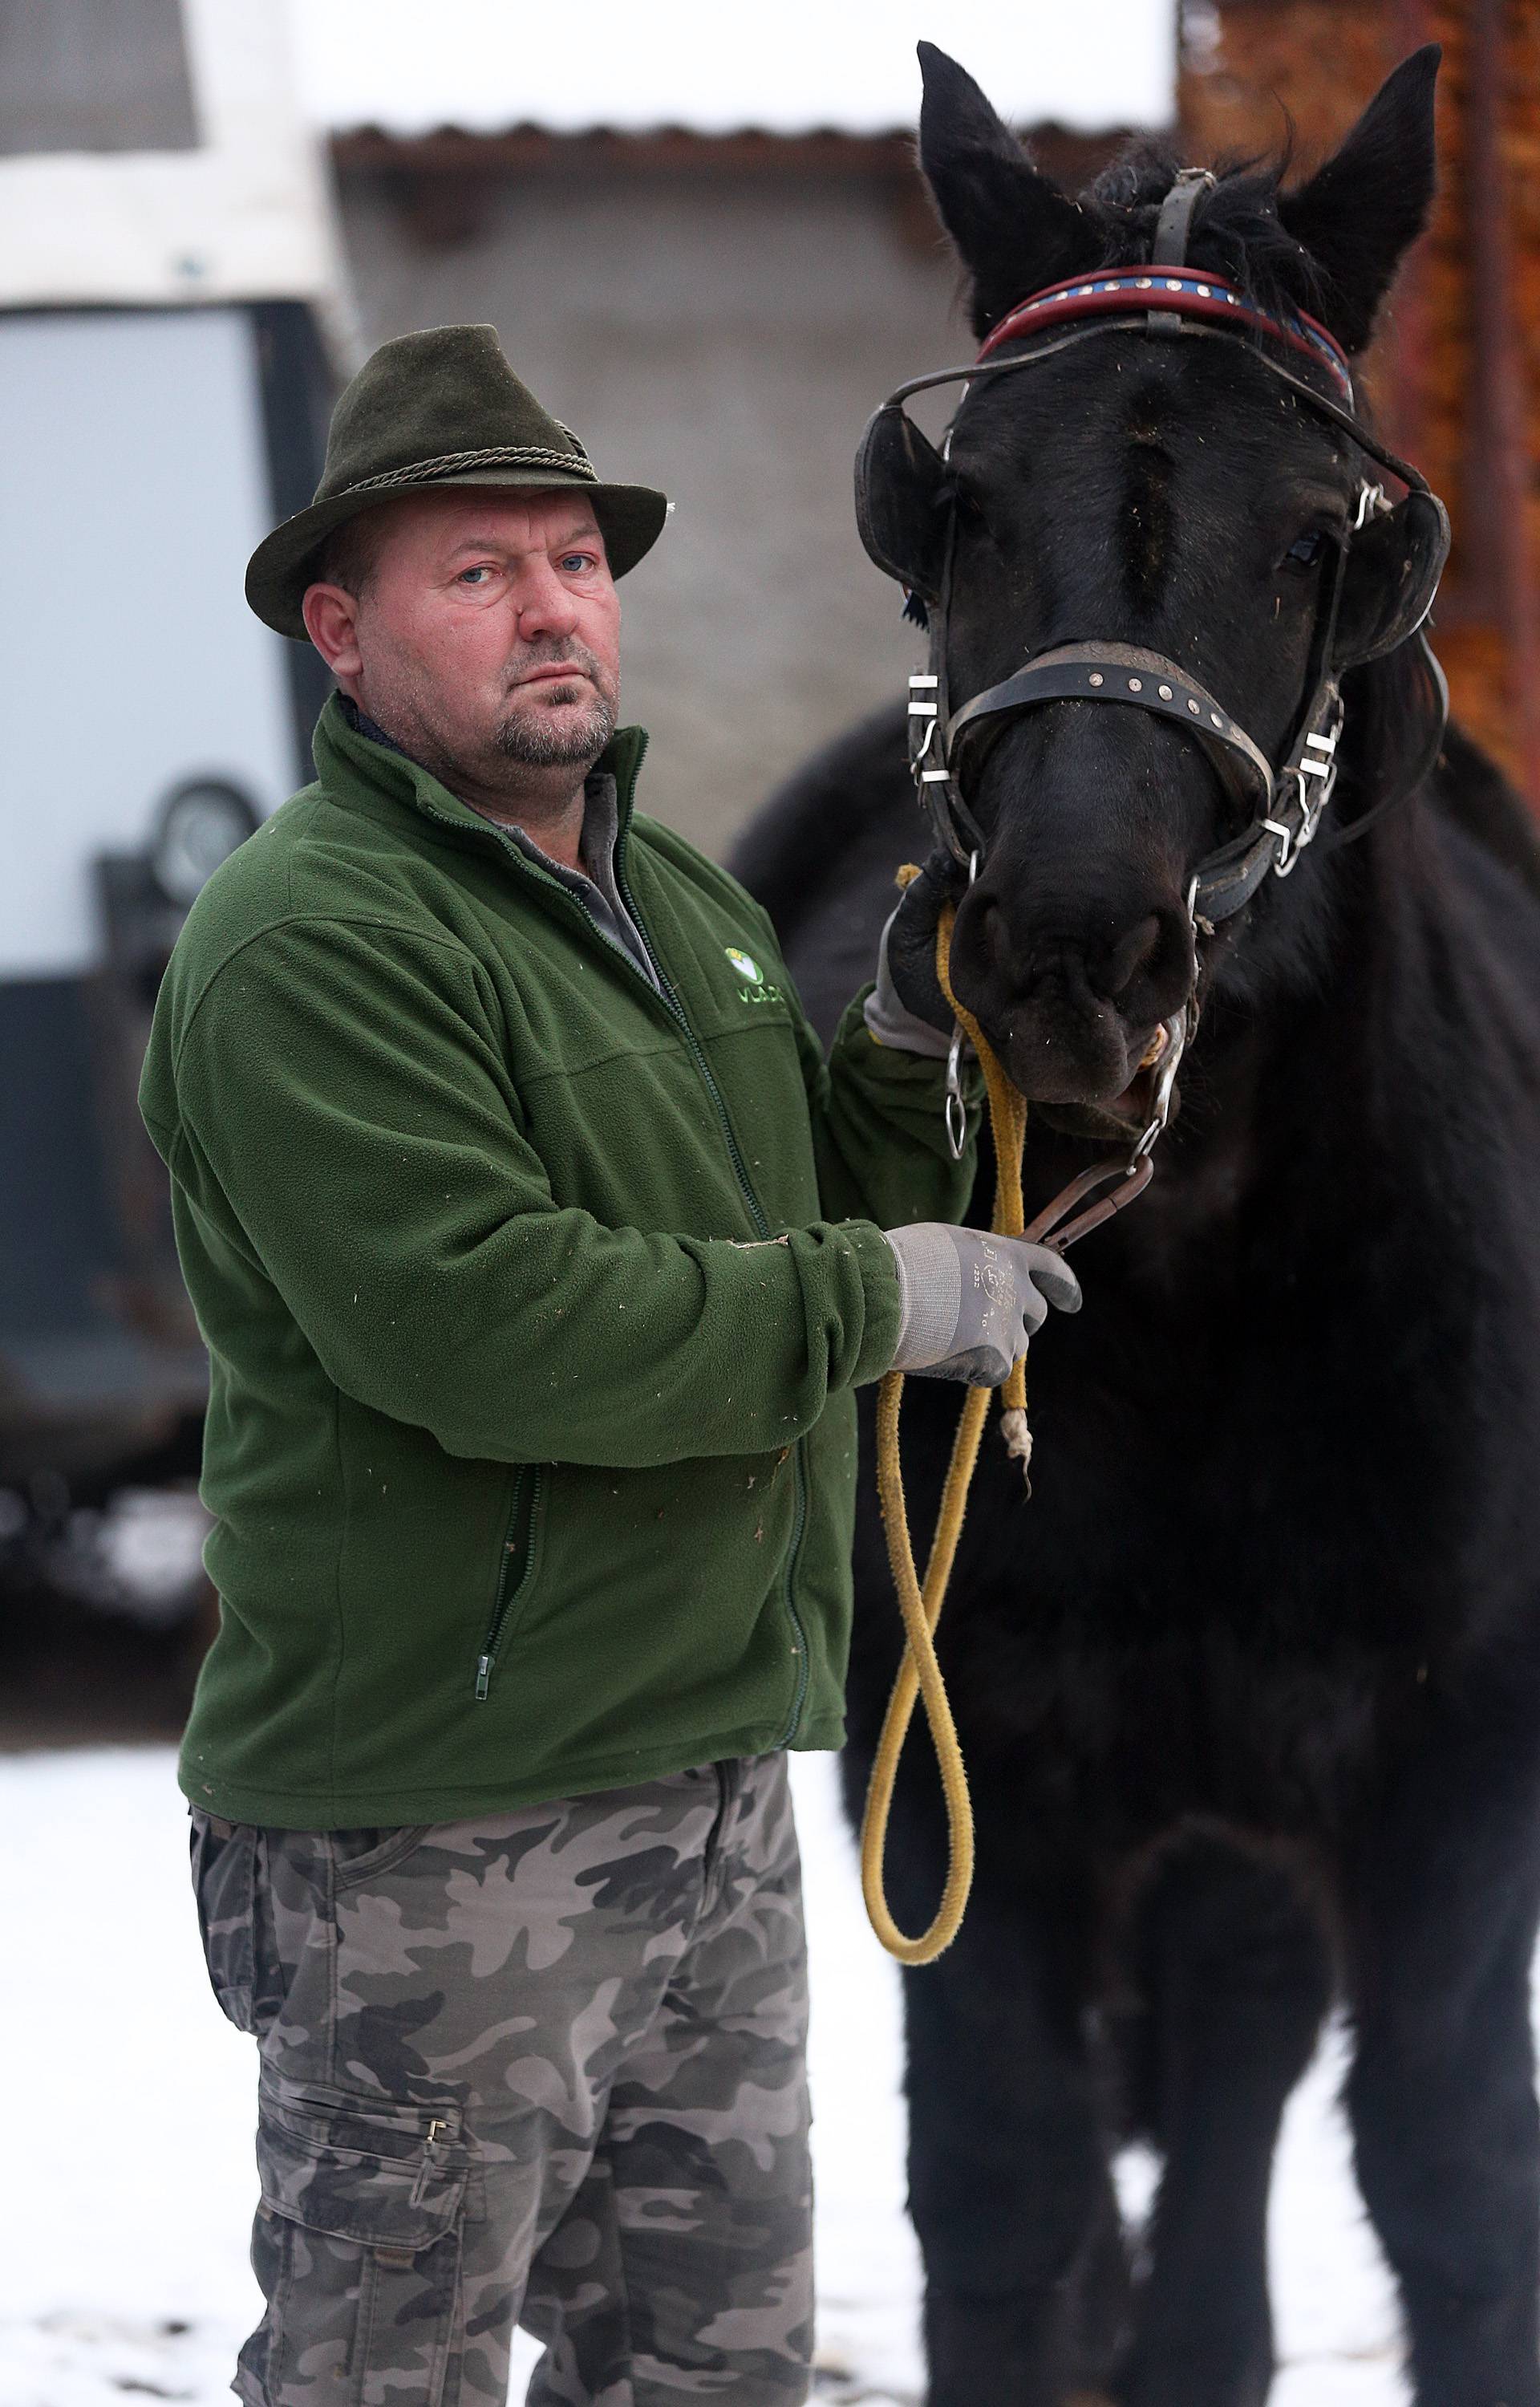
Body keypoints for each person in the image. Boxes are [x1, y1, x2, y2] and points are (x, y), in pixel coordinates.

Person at [140, 323, 1078, 2407]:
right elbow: (498, 1325)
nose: (553, 606)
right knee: (391, 2369)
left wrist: (914, 1056)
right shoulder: (317, 940)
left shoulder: (673, 895)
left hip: (702, 1788)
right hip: (434, 1834)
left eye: (575, 557)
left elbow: (781, 1198)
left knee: (712, 2368)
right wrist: (883, 1301)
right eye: (478, 571)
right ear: (345, 631)